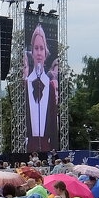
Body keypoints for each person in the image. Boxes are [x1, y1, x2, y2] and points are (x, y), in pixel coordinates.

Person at [23, 24, 58, 152]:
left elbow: (54, 122)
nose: (38, 53)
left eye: (41, 48)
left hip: (46, 146)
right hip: (28, 146)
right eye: (36, 48)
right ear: (32, 52)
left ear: (45, 52)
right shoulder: (25, 84)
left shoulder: (50, 86)